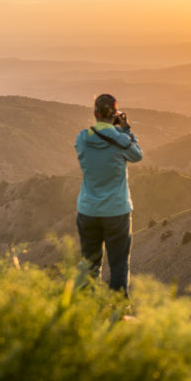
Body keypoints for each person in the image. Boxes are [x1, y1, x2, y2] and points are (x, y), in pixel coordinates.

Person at [74, 93, 142, 295]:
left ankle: (85, 312)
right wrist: (126, 130)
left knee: (89, 265)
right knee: (119, 266)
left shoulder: (82, 138)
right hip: (116, 211)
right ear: (114, 114)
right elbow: (137, 155)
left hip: (88, 210)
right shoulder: (121, 140)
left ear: (95, 113)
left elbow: (83, 152)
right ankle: (116, 314)